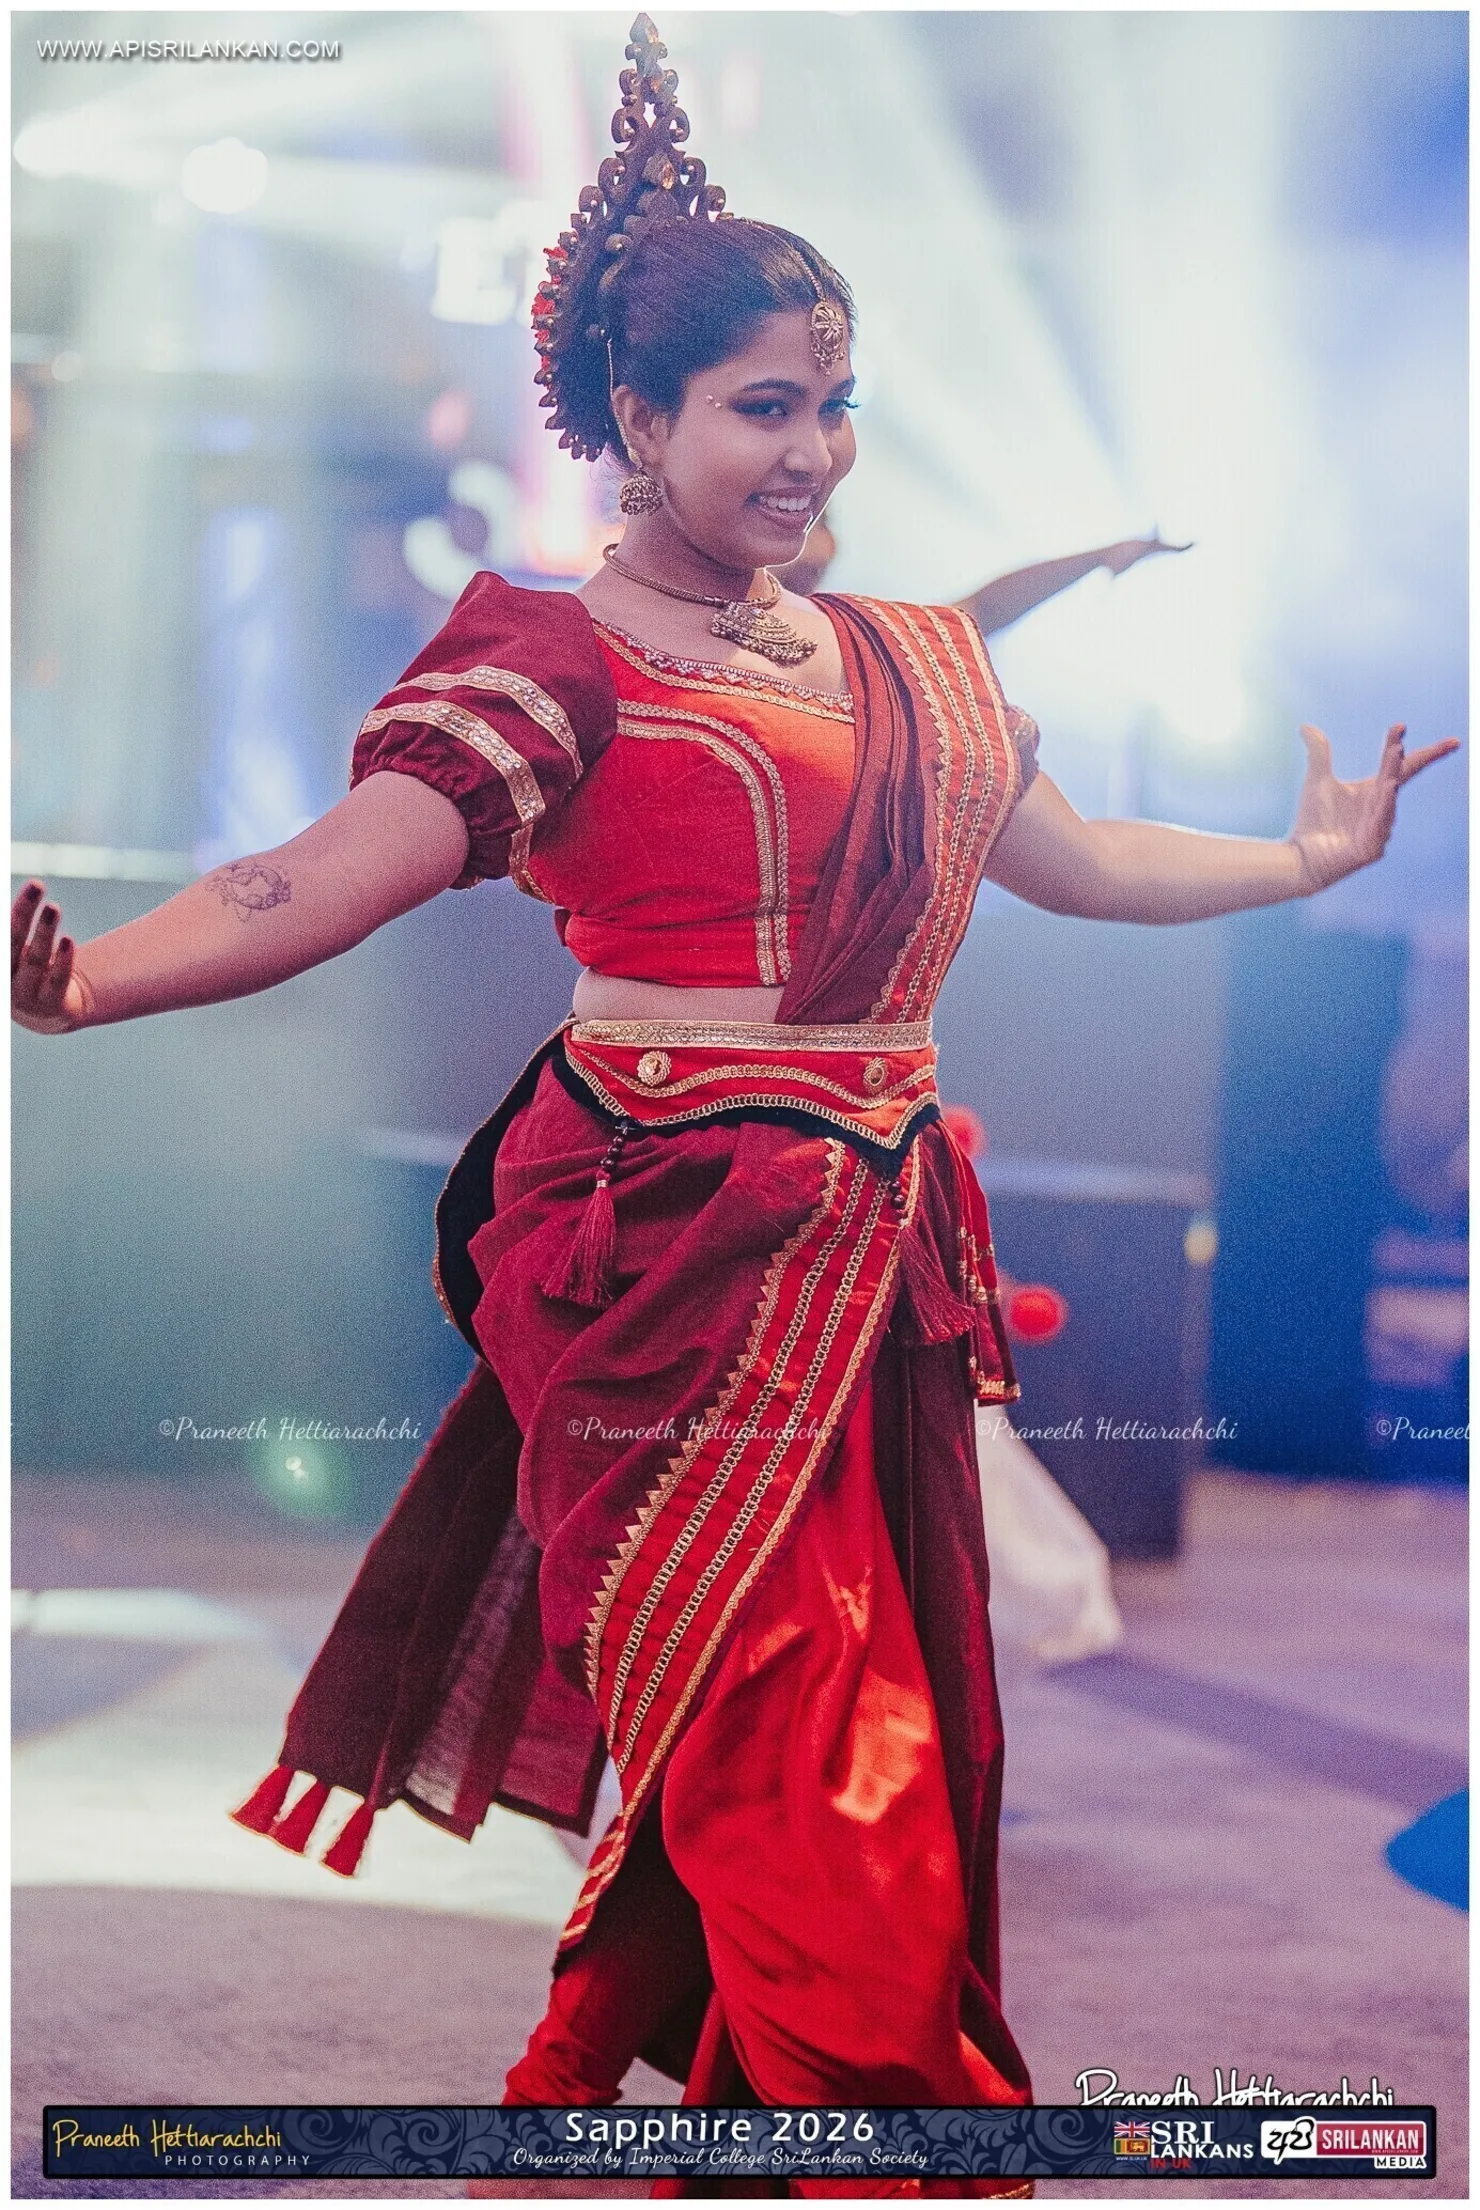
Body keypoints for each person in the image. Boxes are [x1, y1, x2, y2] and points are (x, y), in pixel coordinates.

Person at [11, 16, 1458, 2199]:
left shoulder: (898, 657)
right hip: (664, 1259)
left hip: (870, 1263)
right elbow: (314, 871)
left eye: (833, 403)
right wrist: (96, 983)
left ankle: (579, 2083)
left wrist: (1298, 863)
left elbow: (1073, 861)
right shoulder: (552, 661)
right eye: (764, 407)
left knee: (866, 1713)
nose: (813, 450)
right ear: (638, 421)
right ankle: (886, 2140)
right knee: (793, 1728)